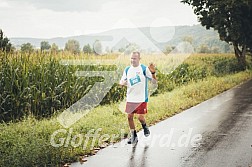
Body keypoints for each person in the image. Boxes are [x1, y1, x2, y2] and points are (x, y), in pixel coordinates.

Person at [119, 51, 157, 144]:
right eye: (131, 58)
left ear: (139, 59)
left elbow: (154, 82)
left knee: (140, 118)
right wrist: (122, 83)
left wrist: (153, 73)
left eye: (134, 58)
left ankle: (144, 126)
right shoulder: (127, 69)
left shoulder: (144, 68)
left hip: (141, 98)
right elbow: (121, 82)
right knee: (129, 117)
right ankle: (134, 136)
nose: (132, 60)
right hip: (130, 98)